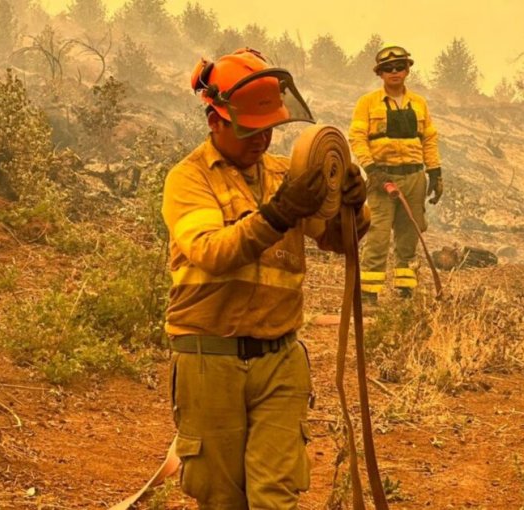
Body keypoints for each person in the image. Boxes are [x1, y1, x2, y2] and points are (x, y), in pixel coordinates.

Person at [161, 48, 370, 509]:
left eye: (270, 128)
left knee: (275, 496)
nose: (263, 140)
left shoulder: (285, 175)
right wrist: (277, 213)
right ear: (214, 120)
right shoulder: (188, 179)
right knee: (223, 498)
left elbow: (336, 238)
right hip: (209, 357)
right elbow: (211, 252)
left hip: (279, 359)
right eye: (250, 129)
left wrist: (354, 202)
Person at [348, 45, 443, 304]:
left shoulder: (419, 103)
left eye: (399, 67)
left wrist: (435, 173)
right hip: (382, 178)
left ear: (407, 70)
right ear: (380, 73)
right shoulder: (367, 103)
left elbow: (429, 139)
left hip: (414, 177)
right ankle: (368, 294)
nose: (394, 72)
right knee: (378, 233)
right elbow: (357, 138)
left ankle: (405, 291)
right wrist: (371, 169)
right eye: (388, 68)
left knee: (409, 233)